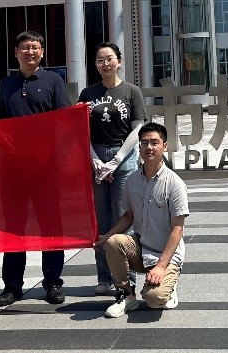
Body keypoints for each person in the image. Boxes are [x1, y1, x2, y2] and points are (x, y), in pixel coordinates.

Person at [0, 30, 72, 306]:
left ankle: (53, 282)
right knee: (14, 228)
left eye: (35, 47)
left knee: (51, 225)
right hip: (13, 169)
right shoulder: (6, 84)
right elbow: (2, 124)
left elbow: (65, 119)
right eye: (25, 48)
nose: (30, 52)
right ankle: (12, 285)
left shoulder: (54, 81)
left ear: (42, 52)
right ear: (15, 52)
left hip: (46, 168)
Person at [95, 122, 188, 318]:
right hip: (142, 249)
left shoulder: (174, 183)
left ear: (165, 146)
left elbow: (177, 229)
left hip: (166, 255)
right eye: (144, 143)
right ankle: (126, 295)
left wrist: (161, 266)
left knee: (154, 299)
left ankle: (168, 286)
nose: (149, 147)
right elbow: (128, 216)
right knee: (114, 242)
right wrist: (106, 237)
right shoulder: (132, 180)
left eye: (154, 142)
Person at [78, 42, 145, 296]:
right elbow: (80, 129)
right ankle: (104, 277)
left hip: (123, 157)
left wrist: (116, 160)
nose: (105, 64)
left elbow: (137, 129)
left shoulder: (131, 91)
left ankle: (126, 278)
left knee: (123, 217)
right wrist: (96, 160)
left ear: (119, 61)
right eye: (100, 60)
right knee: (101, 220)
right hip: (95, 156)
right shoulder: (88, 93)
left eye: (109, 59)